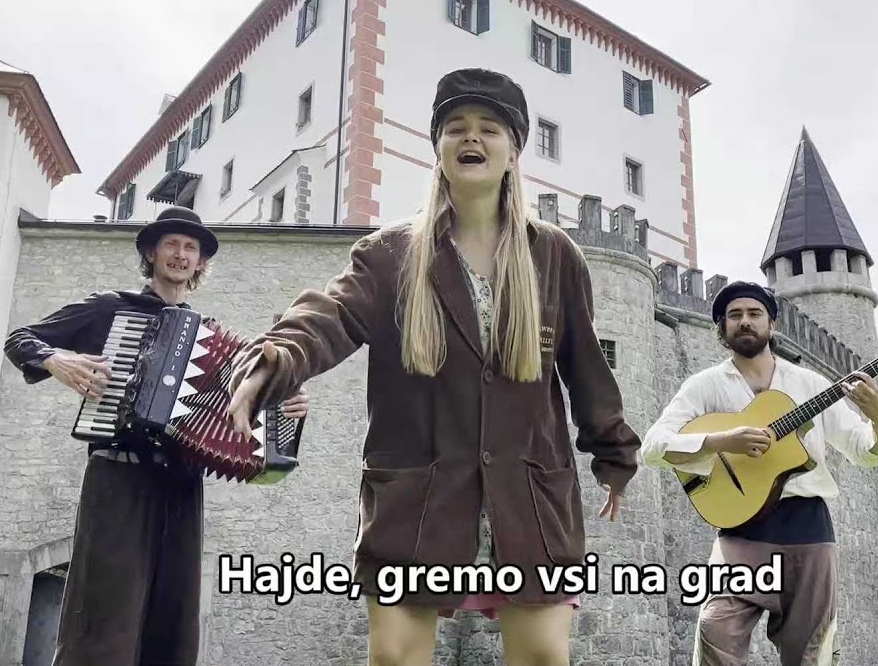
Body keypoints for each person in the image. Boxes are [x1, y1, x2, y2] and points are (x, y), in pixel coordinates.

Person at [224, 68, 641, 666]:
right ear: (439, 148)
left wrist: (614, 454)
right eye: (456, 128)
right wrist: (278, 358)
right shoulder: (388, 253)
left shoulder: (555, 255)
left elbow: (587, 369)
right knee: (395, 656)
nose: (471, 137)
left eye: (489, 128)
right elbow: (329, 316)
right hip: (416, 497)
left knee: (544, 656)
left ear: (514, 150)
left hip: (529, 496)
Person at [1, 206, 308, 665]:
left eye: (191, 248)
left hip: (182, 484)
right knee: (104, 616)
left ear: (200, 262)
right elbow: (20, 339)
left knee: (174, 619)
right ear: (151, 253)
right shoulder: (110, 308)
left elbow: (239, 409)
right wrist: (55, 359)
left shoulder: (207, 335)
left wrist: (286, 407)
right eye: (171, 245)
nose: (181, 255)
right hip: (117, 479)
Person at [639, 281, 878, 666]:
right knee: (715, 633)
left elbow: (864, 451)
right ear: (722, 328)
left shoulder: (809, 384)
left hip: (808, 529)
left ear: (772, 324)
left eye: (754, 313)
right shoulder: (705, 386)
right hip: (739, 529)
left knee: (811, 652)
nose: (745, 321)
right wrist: (721, 441)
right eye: (735, 315)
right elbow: (653, 446)